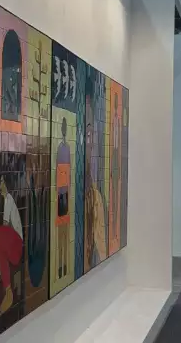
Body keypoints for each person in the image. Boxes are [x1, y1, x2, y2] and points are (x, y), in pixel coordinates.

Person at [0, 176, 23, 315]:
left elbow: (5, 225)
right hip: (13, 245)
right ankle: (8, 290)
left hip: (16, 246)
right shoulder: (7, 199)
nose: (0, 185)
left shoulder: (8, 199)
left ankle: (8, 291)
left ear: (5, 184)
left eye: (1, 182)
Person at [84, 97, 106, 272]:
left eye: (90, 135)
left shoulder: (94, 196)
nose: (88, 143)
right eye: (86, 134)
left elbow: (101, 250)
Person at [56, 117, 71, 279]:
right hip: (62, 195)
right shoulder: (62, 148)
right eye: (63, 127)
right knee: (62, 232)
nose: (64, 130)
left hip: (63, 194)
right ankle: (61, 265)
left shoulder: (63, 148)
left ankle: (63, 265)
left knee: (64, 232)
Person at [111, 94, 121, 244]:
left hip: (116, 161)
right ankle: (113, 230)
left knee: (116, 199)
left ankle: (114, 230)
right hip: (114, 160)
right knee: (114, 199)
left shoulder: (117, 120)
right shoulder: (114, 120)